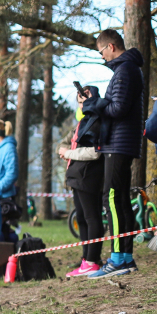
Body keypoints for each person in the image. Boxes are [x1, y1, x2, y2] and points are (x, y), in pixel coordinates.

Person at [81, 29, 144, 278]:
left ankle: (118, 258)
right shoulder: (125, 69)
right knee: (120, 201)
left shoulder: (125, 69)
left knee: (112, 199)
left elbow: (117, 109)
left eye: (101, 52)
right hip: (118, 143)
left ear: (110, 46)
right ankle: (125, 257)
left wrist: (96, 102)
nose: (101, 57)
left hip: (119, 144)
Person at [58, 98, 104, 278]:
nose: (80, 105)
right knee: (82, 219)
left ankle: (93, 260)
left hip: (88, 178)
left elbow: (95, 151)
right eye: (78, 101)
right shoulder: (80, 123)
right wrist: (64, 149)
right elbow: (63, 143)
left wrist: (68, 152)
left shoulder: (97, 121)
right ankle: (86, 259)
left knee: (92, 218)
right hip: (76, 177)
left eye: (83, 100)